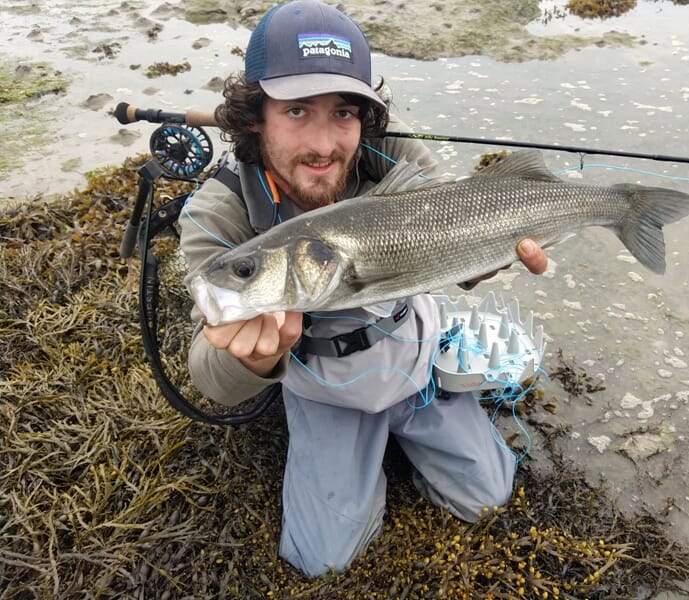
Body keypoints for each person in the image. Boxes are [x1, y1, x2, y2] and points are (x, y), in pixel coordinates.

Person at [179, 0, 548, 578]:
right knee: (322, 560)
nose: (325, 144)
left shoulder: (395, 160)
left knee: (489, 498)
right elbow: (209, 377)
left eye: (344, 112)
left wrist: (483, 259)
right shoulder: (217, 213)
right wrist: (256, 359)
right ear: (255, 117)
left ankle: (425, 419)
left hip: (411, 356)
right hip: (324, 386)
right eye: (297, 110)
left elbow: (453, 245)